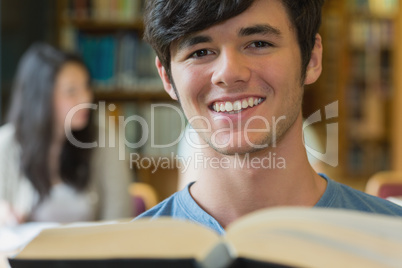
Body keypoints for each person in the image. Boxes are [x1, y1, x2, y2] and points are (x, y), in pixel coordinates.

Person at [136, 0, 402, 234]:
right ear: (166, 77)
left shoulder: (391, 240)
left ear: (311, 59)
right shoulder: (127, 254)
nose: (229, 74)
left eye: (259, 44)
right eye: (200, 52)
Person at [0, 43, 132, 226]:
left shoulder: (103, 135)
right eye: (71, 91)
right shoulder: (6, 144)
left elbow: (120, 215)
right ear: (41, 97)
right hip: (26, 253)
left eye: (86, 87)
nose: (86, 99)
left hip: (92, 252)